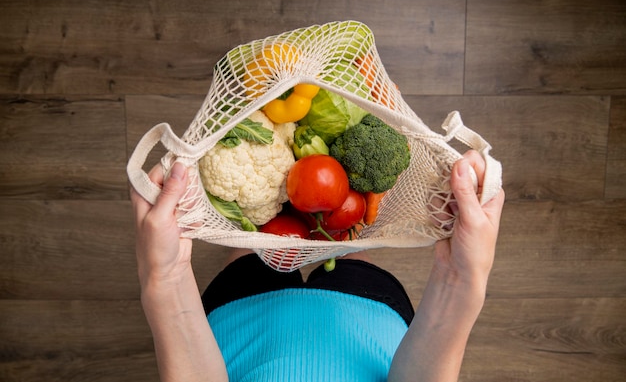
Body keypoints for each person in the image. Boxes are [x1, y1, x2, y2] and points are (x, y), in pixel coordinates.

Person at [131, 150, 505, 382]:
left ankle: (289, 197)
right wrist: (460, 277)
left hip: (238, 329)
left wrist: (166, 276)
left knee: (257, 242)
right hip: (367, 323)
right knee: (347, 236)